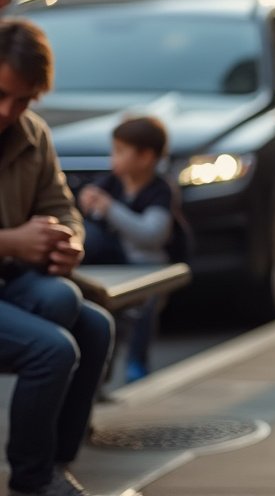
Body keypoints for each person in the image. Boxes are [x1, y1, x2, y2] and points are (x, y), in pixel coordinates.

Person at [0, 19, 113, 496]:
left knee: (92, 323)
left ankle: (54, 464)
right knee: (53, 348)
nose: (8, 111)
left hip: (14, 283)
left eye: (23, 99)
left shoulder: (32, 135)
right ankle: (30, 480)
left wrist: (71, 242)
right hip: (11, 271)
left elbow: (60, 206)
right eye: (1, 94)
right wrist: (11, 243)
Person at [78, 115, 189, 382]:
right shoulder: (112, 182)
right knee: (105, 313)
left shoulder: (159, 190)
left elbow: (151, 235)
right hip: (116, 260)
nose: (113, 159)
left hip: (149, 263)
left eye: (120, 152)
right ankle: (102, 372)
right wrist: (87, 199)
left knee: (144, 308)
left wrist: (109, 208)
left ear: (145, 157)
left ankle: (136, 362)